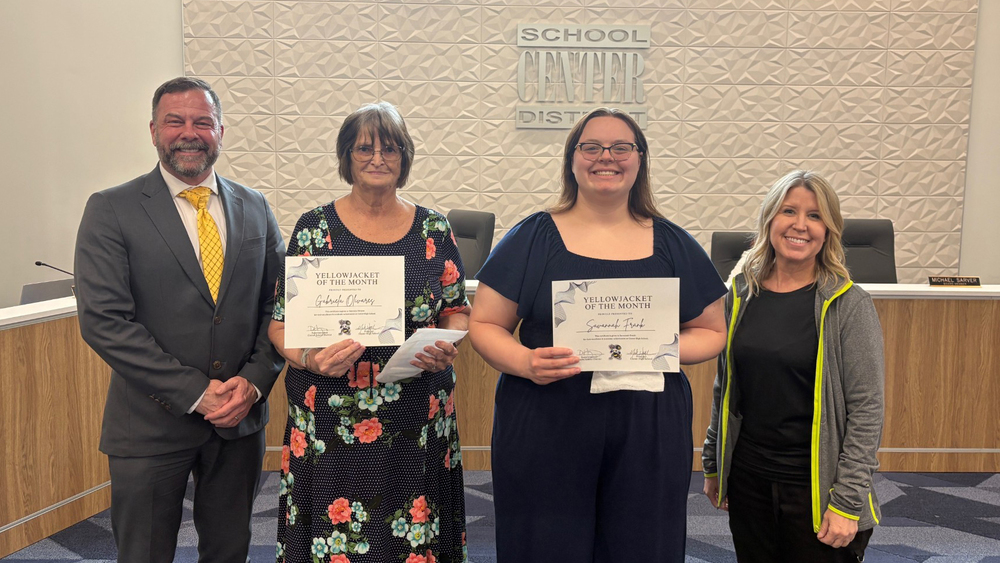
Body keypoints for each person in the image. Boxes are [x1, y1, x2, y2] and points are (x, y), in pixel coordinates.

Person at [468, 108, 728, 562]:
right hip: (547, 418)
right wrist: (525, 362)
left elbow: (711, 332)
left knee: (641, 546)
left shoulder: (673, 242)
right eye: (591, 147)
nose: (606, 157)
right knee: (546, 543)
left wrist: (659, 349)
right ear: (572, 159)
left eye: (621, 147)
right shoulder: (532, 236)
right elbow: (485, 324)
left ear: (640, 160)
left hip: (646, 427)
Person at [74, 77, 285, 563]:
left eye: (202, 122)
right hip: (149, 426)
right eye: (175, 121)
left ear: (220, 132)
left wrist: (252, 384)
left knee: (230, 551)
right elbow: (105, 321)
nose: (189, 132)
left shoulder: (255, 207)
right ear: (153, 131)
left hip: (239, 420)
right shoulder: (111, 209)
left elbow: (279, 307)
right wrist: (195, 391)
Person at [268, 102, 470, 563]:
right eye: (364, 148)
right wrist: (309, 359)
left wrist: (446, 342)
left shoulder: (434, 228)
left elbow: (458, 310)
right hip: (332, 414)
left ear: (405, 157)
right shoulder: (314, 228)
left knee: (411, 533)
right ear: (346, 156)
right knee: (335, 535)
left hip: (416, 411)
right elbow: (280, 326)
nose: (378, 158)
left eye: (390, 148)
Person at [701, 170, 885, 563]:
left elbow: (867, 411)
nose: (801, 225)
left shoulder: (848, 305)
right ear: (770, 220)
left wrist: (847, 502)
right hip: (749, 479)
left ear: (829, 230)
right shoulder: (739, 295)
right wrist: (714, 463)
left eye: (815, 216)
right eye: (789, 211)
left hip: (817, 488)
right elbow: (726, 387)